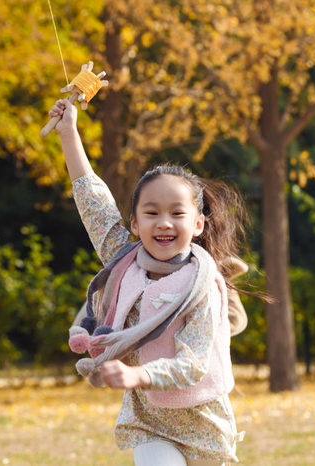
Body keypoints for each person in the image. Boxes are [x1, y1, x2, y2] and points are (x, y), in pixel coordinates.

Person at [50, 97, 259, 466]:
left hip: (204, 425)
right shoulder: (125, 261)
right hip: (148, 422)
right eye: (151, 213)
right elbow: (93, 202)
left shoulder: (202, 286)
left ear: (197, 225)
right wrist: (69, 133)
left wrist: (137, 374)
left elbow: (191, 364)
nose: (163, 222)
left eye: (177, 213)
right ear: (134, 223)